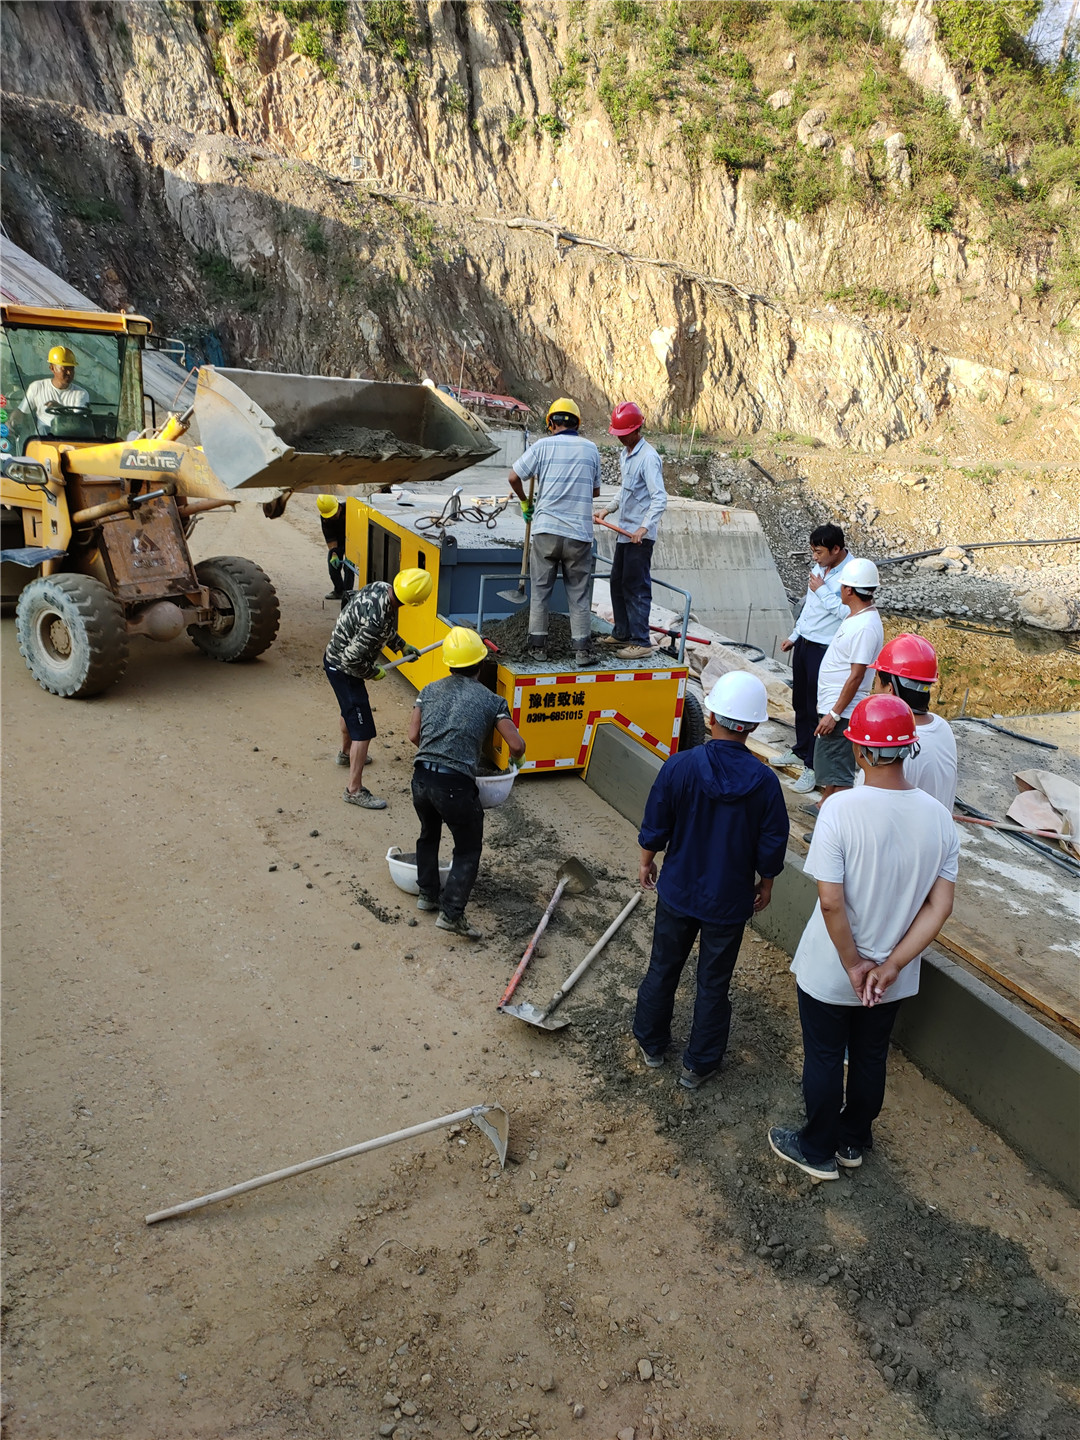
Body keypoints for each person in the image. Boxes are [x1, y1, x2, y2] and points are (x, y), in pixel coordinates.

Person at [767, 693, 958, 1181]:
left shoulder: (840, 809)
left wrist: (854, 963)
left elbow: (831, 901)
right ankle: (854, 1140)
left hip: (835, 970)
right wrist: (891, 966)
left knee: (826, 1057)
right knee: (871, 1056)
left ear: (861, 751)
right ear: (908, 748)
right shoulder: (939, 818)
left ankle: (817, 1149)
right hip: (893, 976)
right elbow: (940, 906)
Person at [633, 672, 790, 1090]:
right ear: (754, 725)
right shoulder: (765, 783)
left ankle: (651, 1044)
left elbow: (656, 820)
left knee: (663, 968)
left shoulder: (681, 766)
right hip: (729, 899)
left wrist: (647, 861)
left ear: (712, 716)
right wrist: (766, 884)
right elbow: (772, 843)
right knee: (713, 983)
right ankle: (697, 1065)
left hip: (679, 890)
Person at [407, 627, 526, 939]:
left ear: (449, 662)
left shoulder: (429, 689)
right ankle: (452, 913)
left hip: (421, 778)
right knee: (468, 846)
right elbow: (515, 745)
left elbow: (413, 736)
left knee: (428, 834)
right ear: (481, 663)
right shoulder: (491, 700)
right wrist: (518, 760)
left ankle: (427, 895)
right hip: (454, 784)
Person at [323, 567, 431, 809]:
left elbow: (382, 629)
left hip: (333, 657)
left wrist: (401, 645)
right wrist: (373, 672)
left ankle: (345, 753)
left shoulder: (381, 587)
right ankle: (353, 790)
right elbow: (353, 659)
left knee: (350, 710)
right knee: (363, 729)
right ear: (414, 602)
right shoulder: (378, 620)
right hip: (345, 668)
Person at [507, 397, 601, 665]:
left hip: (546, 530)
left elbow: (514, 476)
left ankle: (538, 647)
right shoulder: (591, 449)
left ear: (551, 423)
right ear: (577, 424)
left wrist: (526, 501)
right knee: (579, 593)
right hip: (579, 535)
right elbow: (594, 491)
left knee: (540, 590)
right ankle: (582, 650)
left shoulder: (542, 447)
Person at [772, 524, 851, 793]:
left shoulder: (850, 575)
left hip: (825, 648)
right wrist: (795, 635)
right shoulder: (820, 570)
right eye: (813, 552)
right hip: (806, 643)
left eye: (819, 552)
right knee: (800, 702)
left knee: (818, 706)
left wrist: (822, 591)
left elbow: (847, 612)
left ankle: (813, 766)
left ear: (836, 549)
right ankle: (800, 749)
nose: (815, 557)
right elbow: (810, 608)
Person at [594, 401, 667, 661]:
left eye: (624, 434)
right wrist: (607, 509)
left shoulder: (648, 458)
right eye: (618, 434)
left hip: (639, 538)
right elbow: (626, 491)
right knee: (617, 582)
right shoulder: (626, 455)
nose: (620, 438)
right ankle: (622, 632)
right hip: (624, 532)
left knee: (636, 587)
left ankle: (641, 641)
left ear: (636, 430)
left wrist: (643, 528)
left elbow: (659, 498)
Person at [855, 633, 957, 811]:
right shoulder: (943, 728)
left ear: (890, 688)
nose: (874, 690)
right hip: (936, 834)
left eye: (876, 682)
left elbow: (865, 814)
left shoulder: (891, 745)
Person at [810, 558, 884, 802]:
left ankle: (834, 829)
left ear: (849, 590)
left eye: (841, 586)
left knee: (839, 776)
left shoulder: (864, 627)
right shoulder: (859, 618)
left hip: (842, 713)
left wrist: (835, 714)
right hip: (837, 708)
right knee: (831, 770)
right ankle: (824, 806)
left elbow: (857, 675)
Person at [10, 346, 90, 436]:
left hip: (70, 437)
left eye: (72, 369)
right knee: (43, 430)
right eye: (65, 369)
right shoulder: (37, 387)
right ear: (52, 368)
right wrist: (12, 422)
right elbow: (21, 411)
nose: (69, 373)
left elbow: (79, 421)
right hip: (43, 438)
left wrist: (60, 409)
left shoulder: (81, 393)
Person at [316, 494, 353, 603]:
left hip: (351, 539)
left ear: (338, 506)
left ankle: (348, 594)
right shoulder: (325, 518)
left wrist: (351, 554)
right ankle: (338, 591)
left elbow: (357, 531)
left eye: (334, 514)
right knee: (333, 567)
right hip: (337, 540)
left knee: (348, 568)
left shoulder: (350, 509)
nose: (332, 517)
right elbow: (329, 536)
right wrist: (334, 554)